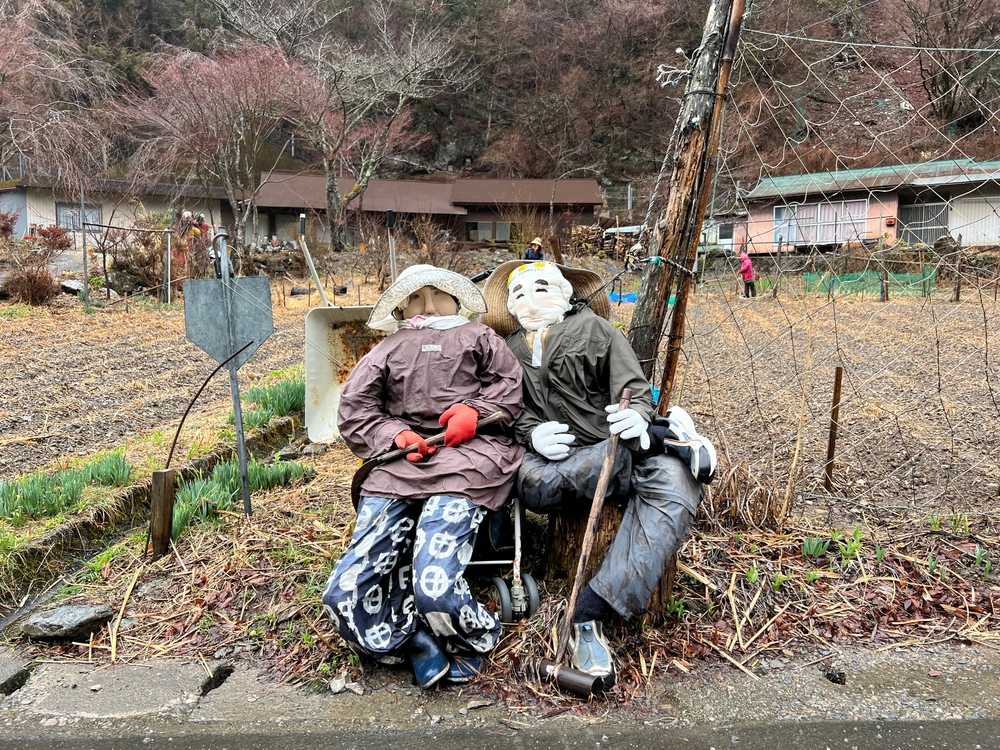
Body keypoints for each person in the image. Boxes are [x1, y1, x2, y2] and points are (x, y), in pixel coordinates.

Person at [483, 261, 716, 687]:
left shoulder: (599, 333)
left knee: (675, 483)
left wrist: (639, 418)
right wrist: (531, 434)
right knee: (531, 484)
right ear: (509, 308)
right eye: (517, 294)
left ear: (568, 295)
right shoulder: (504, 351)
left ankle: (589, 614)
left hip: (609, 446)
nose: (528, 300)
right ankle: (668, 440)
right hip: (556, 463)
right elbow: (500, 412)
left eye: (541, 289)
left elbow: (635, 390)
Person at [323, 264, 525, 690]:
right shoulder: (386, 348)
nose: (428, 304)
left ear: (457, 299)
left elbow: (509, 388)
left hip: (469, 460)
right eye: (416, 296)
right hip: (401, 464)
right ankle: (410, 638)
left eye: (437, 294)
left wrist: (477, 411)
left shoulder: (480, 337)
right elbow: (355, 409)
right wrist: (395, 434)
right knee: (342, 593)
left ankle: (474, 638)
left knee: (434, 582)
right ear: (401, 306)